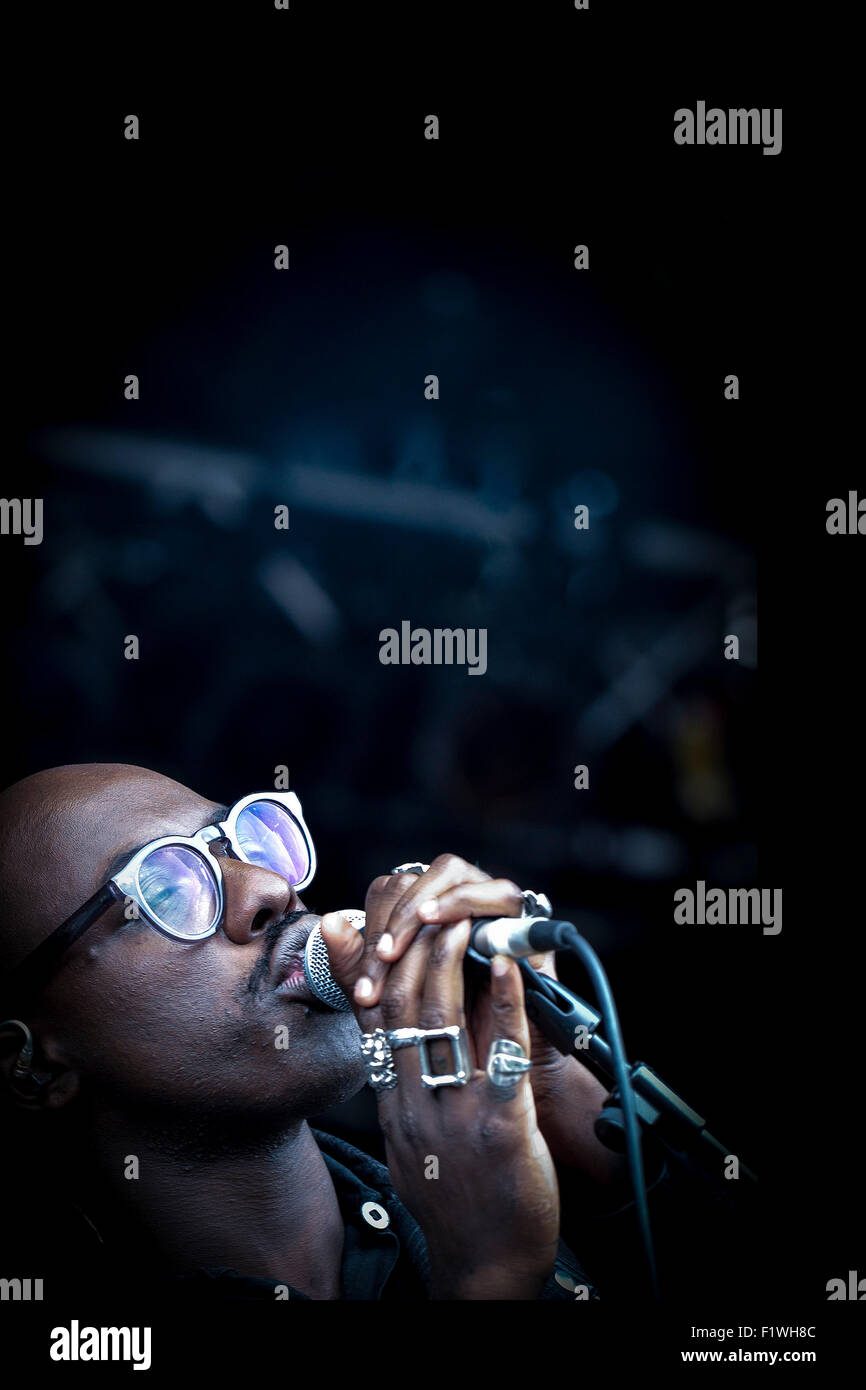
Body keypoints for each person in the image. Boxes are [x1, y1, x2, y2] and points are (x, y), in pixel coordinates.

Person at [0, 764, 749, 1302]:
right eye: (165, 885)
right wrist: (488, 1278)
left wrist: (574, 1126)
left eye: (245, 840)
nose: (269, 889)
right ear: (31, 1065)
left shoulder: (467, 1193)